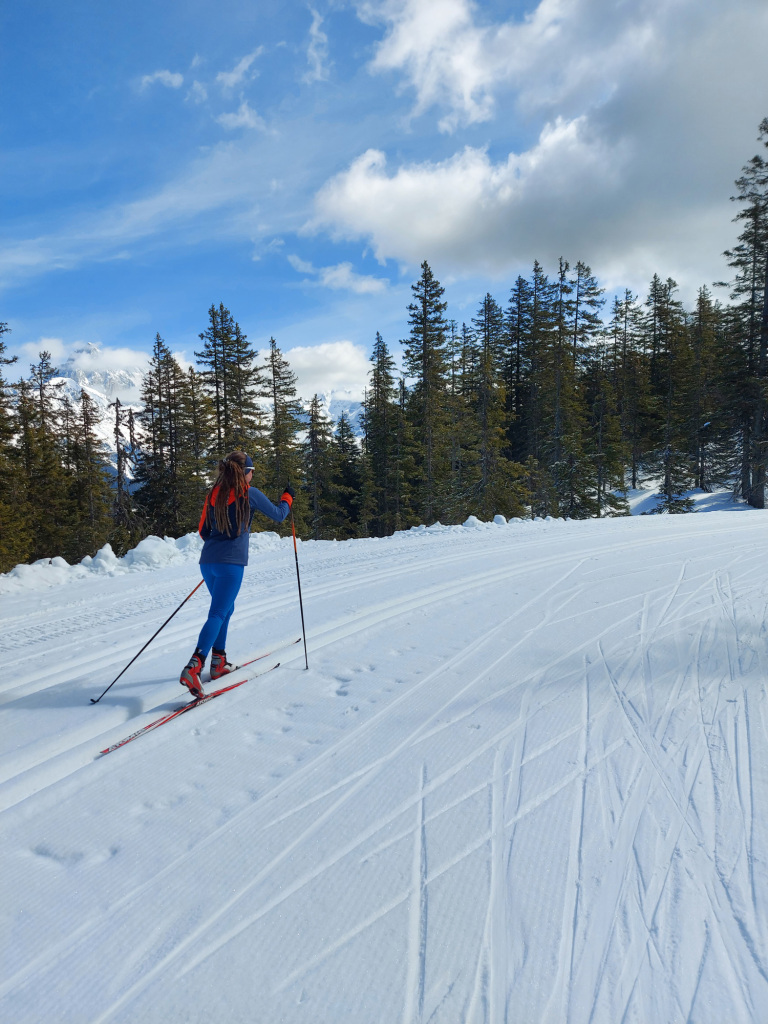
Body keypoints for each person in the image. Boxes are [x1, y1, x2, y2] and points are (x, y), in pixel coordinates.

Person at [180, 451, 295, 698]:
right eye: (252, 471)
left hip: (208, 561)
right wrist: (288, 497)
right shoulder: (249, 493)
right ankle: (194, 665)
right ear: (246, 473)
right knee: (219, 612)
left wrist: (216, 552)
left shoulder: (213, 494)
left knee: (226, 610)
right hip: (230, 564)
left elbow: (203, 530)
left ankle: (218, 662)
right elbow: (279, 515)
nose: (253, 475)